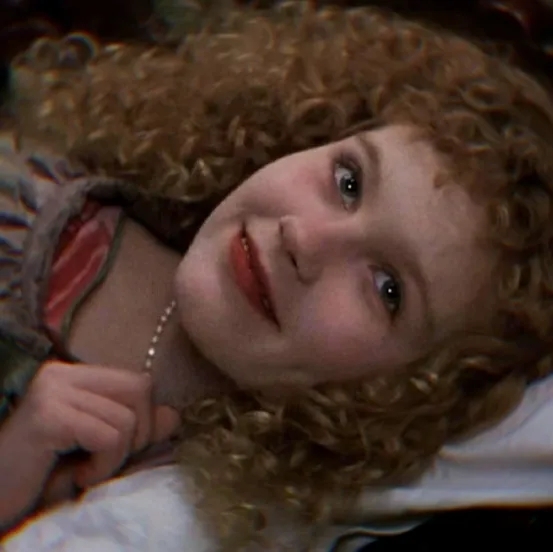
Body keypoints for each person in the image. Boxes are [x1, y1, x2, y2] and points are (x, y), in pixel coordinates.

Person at [1, 2, 553, 550]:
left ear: (407, 394)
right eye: (349, 182)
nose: (304, 240)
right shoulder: (60, 175)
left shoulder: (191, 514)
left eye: (387, 288)